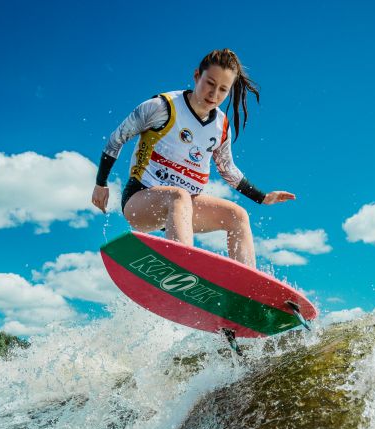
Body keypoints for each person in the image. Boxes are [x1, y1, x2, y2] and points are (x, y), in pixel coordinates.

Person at [90, 48, 294, 269]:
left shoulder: (221, 126)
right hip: (140, 200)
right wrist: (101, 183)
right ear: (197, 76)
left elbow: (228, 169)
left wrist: (262, 197)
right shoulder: (161, 107)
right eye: (210, 83)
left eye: (223, 89)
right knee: (178, 196)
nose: (214, 94)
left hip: (184, 210)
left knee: (238, 216)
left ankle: (247, 292)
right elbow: (116, 139)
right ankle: (182, 271)